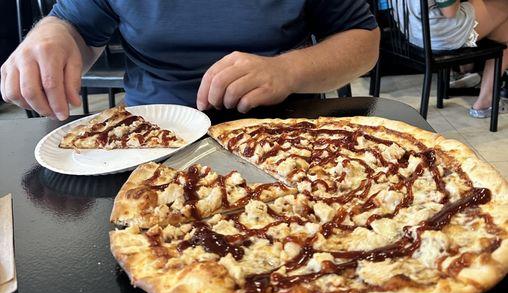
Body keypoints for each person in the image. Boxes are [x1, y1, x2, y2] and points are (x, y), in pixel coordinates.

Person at [0, 1, 380, 121]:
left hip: (285, 127)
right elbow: (74, 29)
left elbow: (364, 41)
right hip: (152, 137)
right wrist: (50, 34)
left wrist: (288, 70)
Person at [394, 0, 508, 118]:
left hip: (410, 28)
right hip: (436, 32)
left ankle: (467, 72)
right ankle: (486, 100)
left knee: (495, 18)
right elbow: (450, 11)